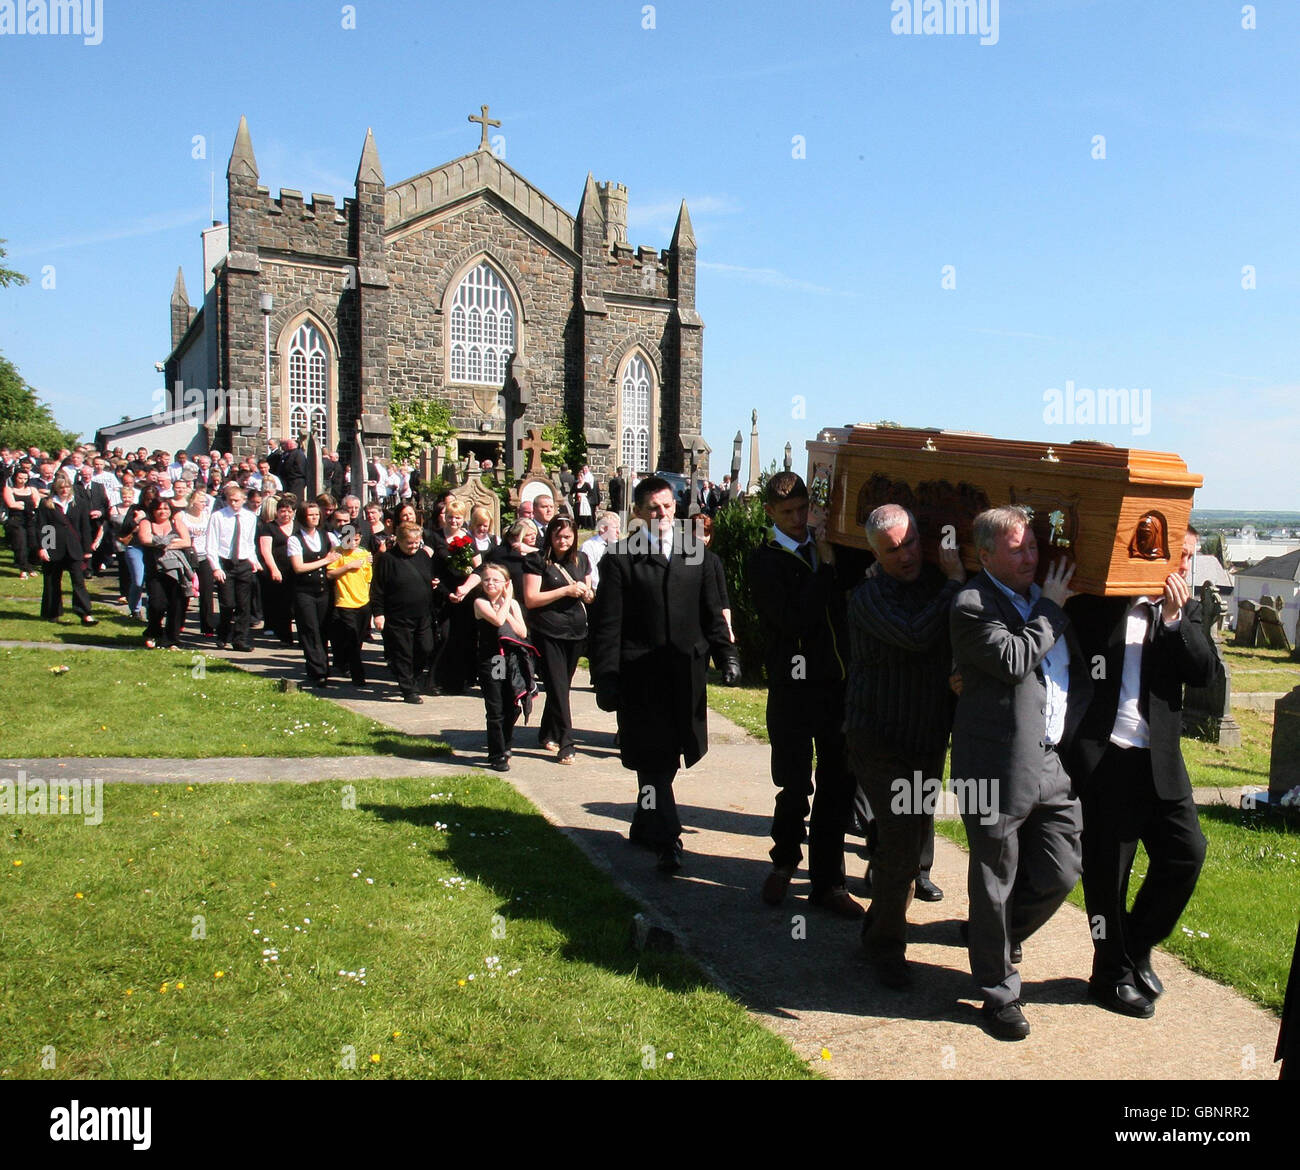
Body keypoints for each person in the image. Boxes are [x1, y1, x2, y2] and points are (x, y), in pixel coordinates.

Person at [950, 505, 1091, 1041]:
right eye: (1018, 549)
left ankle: (996, 938)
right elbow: (1013, 659)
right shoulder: (970, 604)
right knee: (994, 880)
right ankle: (997, 992)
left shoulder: (1041, 596)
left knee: (1061, 869)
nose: (1032, 556)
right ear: (985, 555)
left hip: (1049, 757)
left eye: (1033, 545)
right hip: (996, 763)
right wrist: (1052, 609)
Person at [1062, 535, 1213, 1018]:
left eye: (1190, 556)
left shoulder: (1180, 611)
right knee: (1109, 876)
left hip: (1160, 761)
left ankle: (1135, 945)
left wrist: (1173, 619)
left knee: (1186, 853)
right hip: (1106, 760)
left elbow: (1203, 671)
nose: (1184, 566)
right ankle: (1108, 976)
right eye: (1179, 555)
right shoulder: (1100, 602)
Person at [589, 474, 740, 873]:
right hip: (641, 677)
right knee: (652, 759)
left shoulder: (696, 553)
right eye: (653, 508)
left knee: (668, 758)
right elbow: (607, 625)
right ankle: (668, 839)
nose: (662, 514)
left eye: (668, 506)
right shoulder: (622, 558)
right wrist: (605, 676)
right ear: (639, 512)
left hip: (684, 677)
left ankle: (643, 824)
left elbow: (713, 612)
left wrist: (728, 657)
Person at [844, 504, 966, 987]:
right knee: (899, 843)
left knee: (913, 841)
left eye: (912, 542)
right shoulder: (869, 595)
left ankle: (878, 924)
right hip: (879, 739)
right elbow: (917, 636)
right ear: (876, 552)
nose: (906, 555)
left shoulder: (936, 585)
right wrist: (956, 582)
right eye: (893, 549)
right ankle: (887, 946)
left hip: (925, 736)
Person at [747, 472, 860, 918]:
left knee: (838, 786)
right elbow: (792, 618)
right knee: (794, 784)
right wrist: (827, 569)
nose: (798, 519)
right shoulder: (765, 559)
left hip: (837, 686)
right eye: (788, 512)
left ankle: (829, 883)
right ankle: (783, 864)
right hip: (792, 688)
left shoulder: (827, 547)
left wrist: (833, 556)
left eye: (802, 508)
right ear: (771, 513)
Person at [524, 515, 594, 764]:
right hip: (548, 631)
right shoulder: (537, 561)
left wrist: (587, 594)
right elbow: (531, 598)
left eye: (567, 536)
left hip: (576, 632)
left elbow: (589, 593)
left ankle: (547, 731)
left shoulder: (582, 560)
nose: (562, 541)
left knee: (561, 685)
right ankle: (567, 741)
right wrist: (565, 590)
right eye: (557, 536)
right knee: (558, 686)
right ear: (550, 537)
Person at [474, 562, 534, 770]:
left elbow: (522, 632)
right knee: (496, 707)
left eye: (495, 580)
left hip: (510, 659)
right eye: (486, 579)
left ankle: (507, 744)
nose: (490, 583)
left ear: (506, 583)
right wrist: (505, 600)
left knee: (512, 705)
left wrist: (507, 603)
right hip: (493, 660)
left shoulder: (513, 605)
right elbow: (498, 622)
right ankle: (497, 754)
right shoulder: (480, 603)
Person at [371, 522, 439, 704]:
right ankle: (408, 689)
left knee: (426, 647)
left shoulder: (423, 556)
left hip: (423, 614)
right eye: (410, 543)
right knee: (403, 653)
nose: (414, 546)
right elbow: (378, 588)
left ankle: (412, 677)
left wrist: (433, 582)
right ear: (399, 541)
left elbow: (428, 575)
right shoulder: (388, 559)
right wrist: (378, 613)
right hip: (397, 616)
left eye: (417, 542)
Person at [427, 499, 482, 695]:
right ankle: (435, 679)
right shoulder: (434, 537)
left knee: (462, 638)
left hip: (463, 593)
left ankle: (458, 681)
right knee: (444, 636)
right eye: (450, 517)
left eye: (458, 517)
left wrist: (466, 589)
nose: (453, 521)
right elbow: (428, 561)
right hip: (442, 592)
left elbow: (479, 566)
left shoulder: (468, 538)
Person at [287, 501, 339, 687]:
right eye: (311, 515)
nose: (315, 517)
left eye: (317, 514)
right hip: (304, 592)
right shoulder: (295, 540)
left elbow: (341, 550)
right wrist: (325, 560)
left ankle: (323, 667)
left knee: (324, 629)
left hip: (324, 591)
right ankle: (317, 671)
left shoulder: (327, 536)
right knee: (310, 630)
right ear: (303, 517)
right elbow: (298, 567)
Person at [35, 473, 98, 625]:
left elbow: (84, 527)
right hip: (53, 546)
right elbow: (44, 527)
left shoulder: (80, 503)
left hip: (74, 548)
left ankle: (85, 613)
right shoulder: (47, 503)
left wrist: (87, 549)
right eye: (61, 487)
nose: (64, 490)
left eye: (67, 487)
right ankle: (52, 612)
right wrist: (44, 548)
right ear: (56, 488)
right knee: (52, 581)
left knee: (78, 581)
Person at [207, 483, 259, 652]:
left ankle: (240, 639)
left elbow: (249, 543)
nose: (234, 504)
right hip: (225, 563)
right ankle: (222, 634)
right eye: (231, 500)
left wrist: (253, 560)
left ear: (244, 500)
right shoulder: (218, 517)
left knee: (244, 605)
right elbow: (212, 544)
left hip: (243, 563)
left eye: (237, 500)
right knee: (228, 603)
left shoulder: (250, 517)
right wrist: (216, 567)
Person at [138, 494, 192, 649]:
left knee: (177, 605)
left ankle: (172, 639)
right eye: (159, 509)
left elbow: (186, 541)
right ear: (153, 510)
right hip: (155, 571)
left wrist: (163, 544)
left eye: (166, 508)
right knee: (157, 604)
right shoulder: (146, 523)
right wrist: (170, 542)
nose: (163, 511)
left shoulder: (177, 522)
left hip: (177, 571)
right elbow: (145, 539)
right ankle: (153, 631)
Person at [327, 509, 373, 686]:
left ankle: (345, 663)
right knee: (352, 638)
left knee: (358, 639)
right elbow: (330, 574)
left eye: (357, 539)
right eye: (350, 538)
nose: (353, 542)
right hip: (344, 601)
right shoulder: (338, 552)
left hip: (363, 601)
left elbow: (368, 578)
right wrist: (348, 567)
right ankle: (357, 675)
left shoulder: (364, 553)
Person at [258, 494, 298, 645]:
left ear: (294, 512)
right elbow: (266, 550)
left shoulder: (298, 526)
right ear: (277, 512)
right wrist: (274, 570)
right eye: (282, 511)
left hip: (296, 570)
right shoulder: (269, 527)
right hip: (278, 570)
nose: (285, 514)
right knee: (282, 604)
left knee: (296, 604)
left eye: (289, 511)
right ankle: (285, 637)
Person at [3, 465, 39, 578]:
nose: (22, 481)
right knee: (20, 544)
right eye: (20, 478)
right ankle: (24, 569)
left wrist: (23, 505)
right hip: (16, 521)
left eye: (25, 478)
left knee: (33, 543)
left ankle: (28, 564)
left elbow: (36, 503)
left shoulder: (32, 489)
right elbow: (11, 504)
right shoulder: (9, 489)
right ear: (15, 478)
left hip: (30, 520)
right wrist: (27, 505)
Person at [580, 511, 620, 590]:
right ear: (602, 528)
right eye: (615, 528)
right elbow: (591, 574)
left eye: (619, 527)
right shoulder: (589, 546)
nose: (618, 531)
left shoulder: (618, 546)